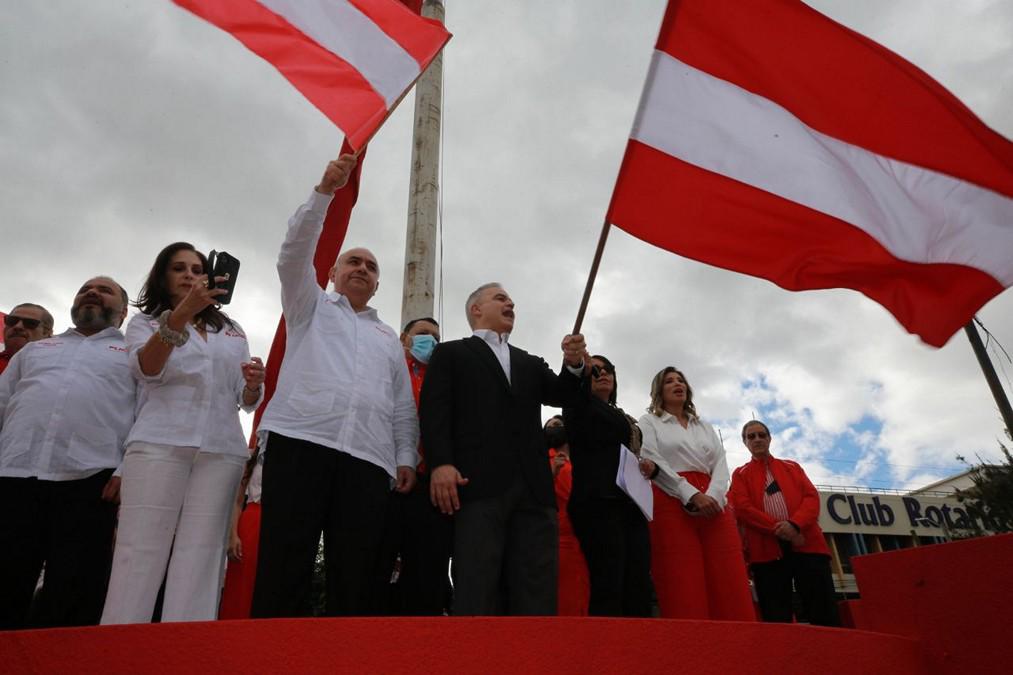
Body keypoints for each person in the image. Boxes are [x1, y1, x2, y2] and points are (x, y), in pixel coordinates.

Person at [251, 155, 419, 618]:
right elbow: (293, 253)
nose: (362, 268)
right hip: (301, 441)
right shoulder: (309, 306)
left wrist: (405, 456)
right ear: (332, 273)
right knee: (285, 564)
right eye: (353, 261)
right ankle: (271, 659)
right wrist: (324, 190)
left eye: (370, 266)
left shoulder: (388, 338)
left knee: (357, 573)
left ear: (378, 283)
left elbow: (402, 406)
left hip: (368, 459)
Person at [101, 242, 265, 624]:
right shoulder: (146, 321)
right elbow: (148, 370)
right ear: (163, 276)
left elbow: (243, 398)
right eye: (179, 268)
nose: (190, 275)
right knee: (140, 549)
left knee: (203, 553)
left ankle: (186, 650)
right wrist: (180, 316)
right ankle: (121, 646)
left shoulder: (232, 329)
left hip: (221, 449)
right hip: (160, 442)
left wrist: (254, 385)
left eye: (196, 268)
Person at [419, 282, 586, 615]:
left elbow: (564, 394)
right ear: (476, 310)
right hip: (477, 486)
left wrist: (573, 364)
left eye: (511, 299)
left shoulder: (529, 362)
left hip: (534, 491)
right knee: (477, 583)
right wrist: (440, 464)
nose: (510, 302)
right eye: (500, 298)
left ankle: (533, 661)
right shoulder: (451, 353)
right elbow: (435, 411)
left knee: (536, 586)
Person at [0, 277, 134, 629]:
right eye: (85, 288)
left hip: (90, 482)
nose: (92, 292)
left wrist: (126, 468)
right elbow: (2, 403)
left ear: (123, 312)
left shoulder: (136, 354)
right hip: (14, 475)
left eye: (104, 290)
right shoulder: (35, 350)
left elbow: (148, 413)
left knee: (72, 594)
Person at [638, 367, 754, 620]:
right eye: (669, 381)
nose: (677, 384)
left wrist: (713, 496)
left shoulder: (704, 425)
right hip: (670, 498)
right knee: (682, 578)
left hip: (714, 502)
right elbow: (651, 457)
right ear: (659, 390)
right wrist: (690, 494)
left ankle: (740, 645)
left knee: (729, 575)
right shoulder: (649, 421)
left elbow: (720, 463)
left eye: (681, 380)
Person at [374, 317, 453, 615]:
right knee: (375, 565)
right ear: (405, 338)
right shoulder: (385, 371)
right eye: (423, 334)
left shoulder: (445, 377)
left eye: (435, 336)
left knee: (427, 572)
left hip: (429, 485)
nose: (430, 341)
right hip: (385, 478)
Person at [562, 356, 652, 617]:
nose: (603, 374)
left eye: (609, 370)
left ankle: (639, 646)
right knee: (608, 580)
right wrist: (579, 364)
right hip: (598, 502)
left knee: (637, 580)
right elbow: (572, 391)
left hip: (630, 503)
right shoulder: (578, 405)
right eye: (596, 371)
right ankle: (608, 650)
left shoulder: (623, 416)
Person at [729, 420, 840, 626]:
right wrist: (779, 529)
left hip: (806, 543)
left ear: (770, 438)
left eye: (762, 435)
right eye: (751, 436)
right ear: (744, 443)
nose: (758, 439)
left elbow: (811, 498)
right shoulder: (740, 474)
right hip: (766, 551)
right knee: (776, 613)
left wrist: (796, 525)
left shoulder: (792, 467)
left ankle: (833, 653)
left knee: (822, 608)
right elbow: (742, 508)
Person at [544, 415, 589, 616]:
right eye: (551, 426)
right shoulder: (545, 460)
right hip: (559, 539)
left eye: (561, 425)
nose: (557, 428)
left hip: (582, 540)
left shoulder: (581, 463)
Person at [219, 451, 264, 620]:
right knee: (242, 584)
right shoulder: (251, 459)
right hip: (250, 523)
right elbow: (237, 502)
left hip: (278, 523)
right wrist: (233, 535)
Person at [1, 303, 54, 375]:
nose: (18, 326)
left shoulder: (58, 370)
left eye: (30, 323)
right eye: (12, 320)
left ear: (47, 333)